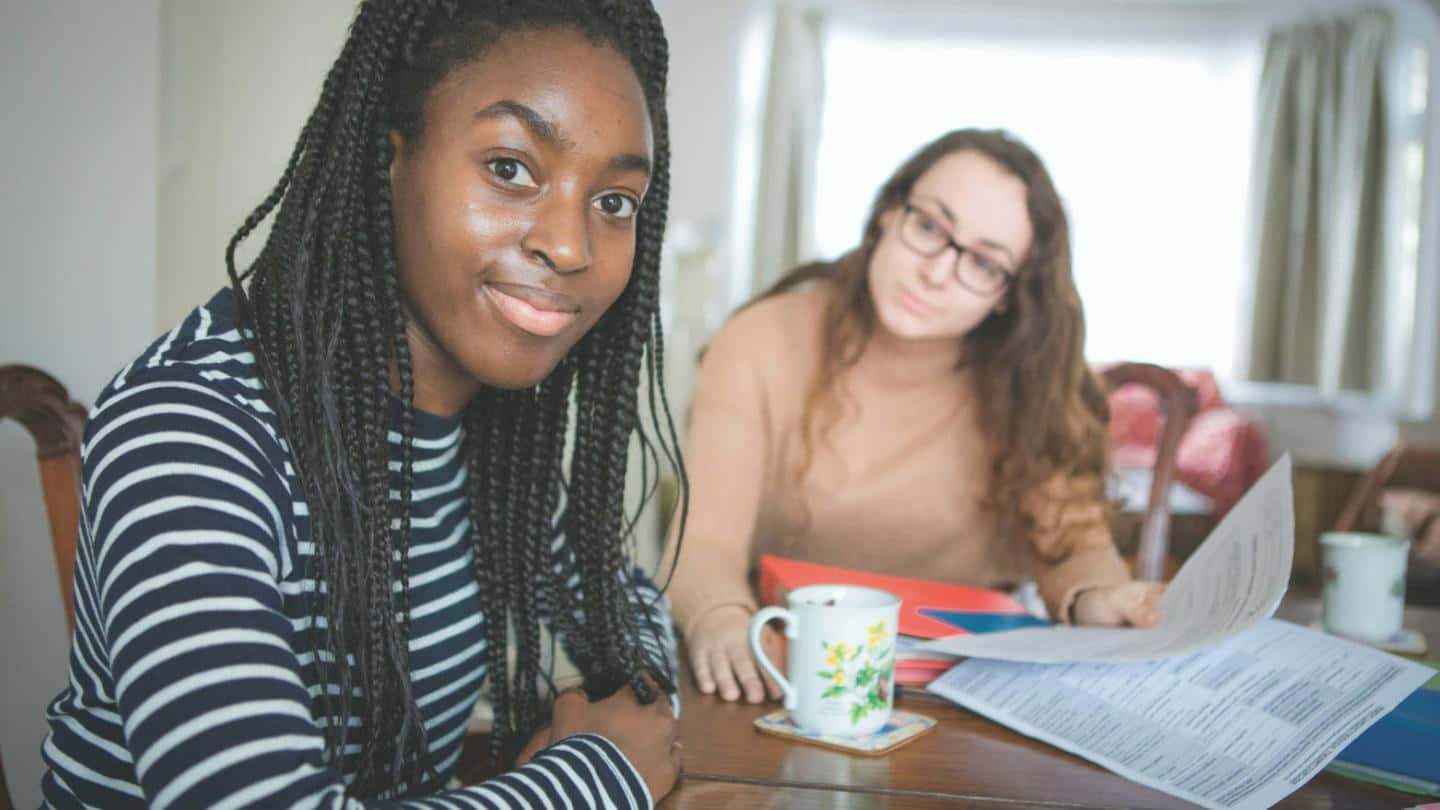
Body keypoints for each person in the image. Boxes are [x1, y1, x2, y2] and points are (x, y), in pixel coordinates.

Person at [40, 1, 689, 807]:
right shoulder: (190, 427)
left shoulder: (489, 425)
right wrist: (595, 778)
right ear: (389, 158)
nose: (571, 245)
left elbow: (618, 596)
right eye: (510, 167)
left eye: (614, 201)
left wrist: (628, 708)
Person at [660, 129, 1165, 704]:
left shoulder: (1032, 383)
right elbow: (700, 549)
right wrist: (722, 621)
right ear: (886, 213)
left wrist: (1101, 598)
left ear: (1006, 294)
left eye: (982, 261)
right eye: (929, 227)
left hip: (962, 687)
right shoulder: (760, 341)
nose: (936, 272)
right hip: (783, 671)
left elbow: (1074, 551)